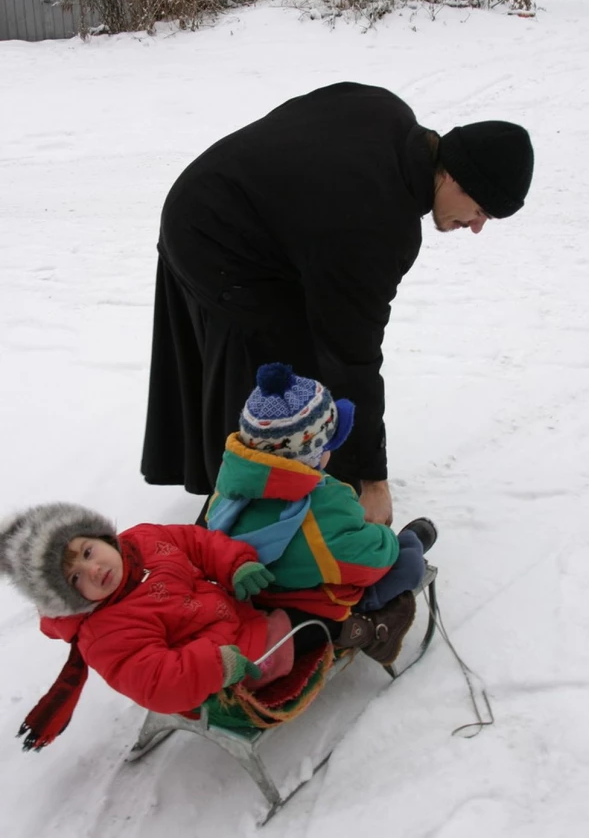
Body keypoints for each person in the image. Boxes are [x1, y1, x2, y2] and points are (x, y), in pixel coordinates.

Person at [141, 81, 534, 525]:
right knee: (281, 371)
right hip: (215, 238)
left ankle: (305, 487)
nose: (477, 227)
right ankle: (247, 515)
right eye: (481, 211)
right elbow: (353, 354)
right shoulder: (379, 225)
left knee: (305, 356)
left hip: (209, 198)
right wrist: (373, 480)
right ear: (455, 176)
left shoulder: (385, 109)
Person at [0, 498, 432, 751]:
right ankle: (378, 604)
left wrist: (237, 565)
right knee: (325, 607)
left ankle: (399, 550)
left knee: (300, 571)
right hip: (244, 663)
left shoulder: (141, 541)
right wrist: (219, 663)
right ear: (66, 597)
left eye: (88, 552)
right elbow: (157, 681)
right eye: (75, 577)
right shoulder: (105, 631)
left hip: (240, 608)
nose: (93, 570)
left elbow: (198, 542)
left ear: (100, 537)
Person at [204, 360, 436, 623]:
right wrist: (385, 538)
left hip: (247, 589)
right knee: (408, 563)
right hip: (302, 605)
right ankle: (365, 611)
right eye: (327, 445)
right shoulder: (320, 510)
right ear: (311, 454)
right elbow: (369, 562)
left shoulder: (229, 488)